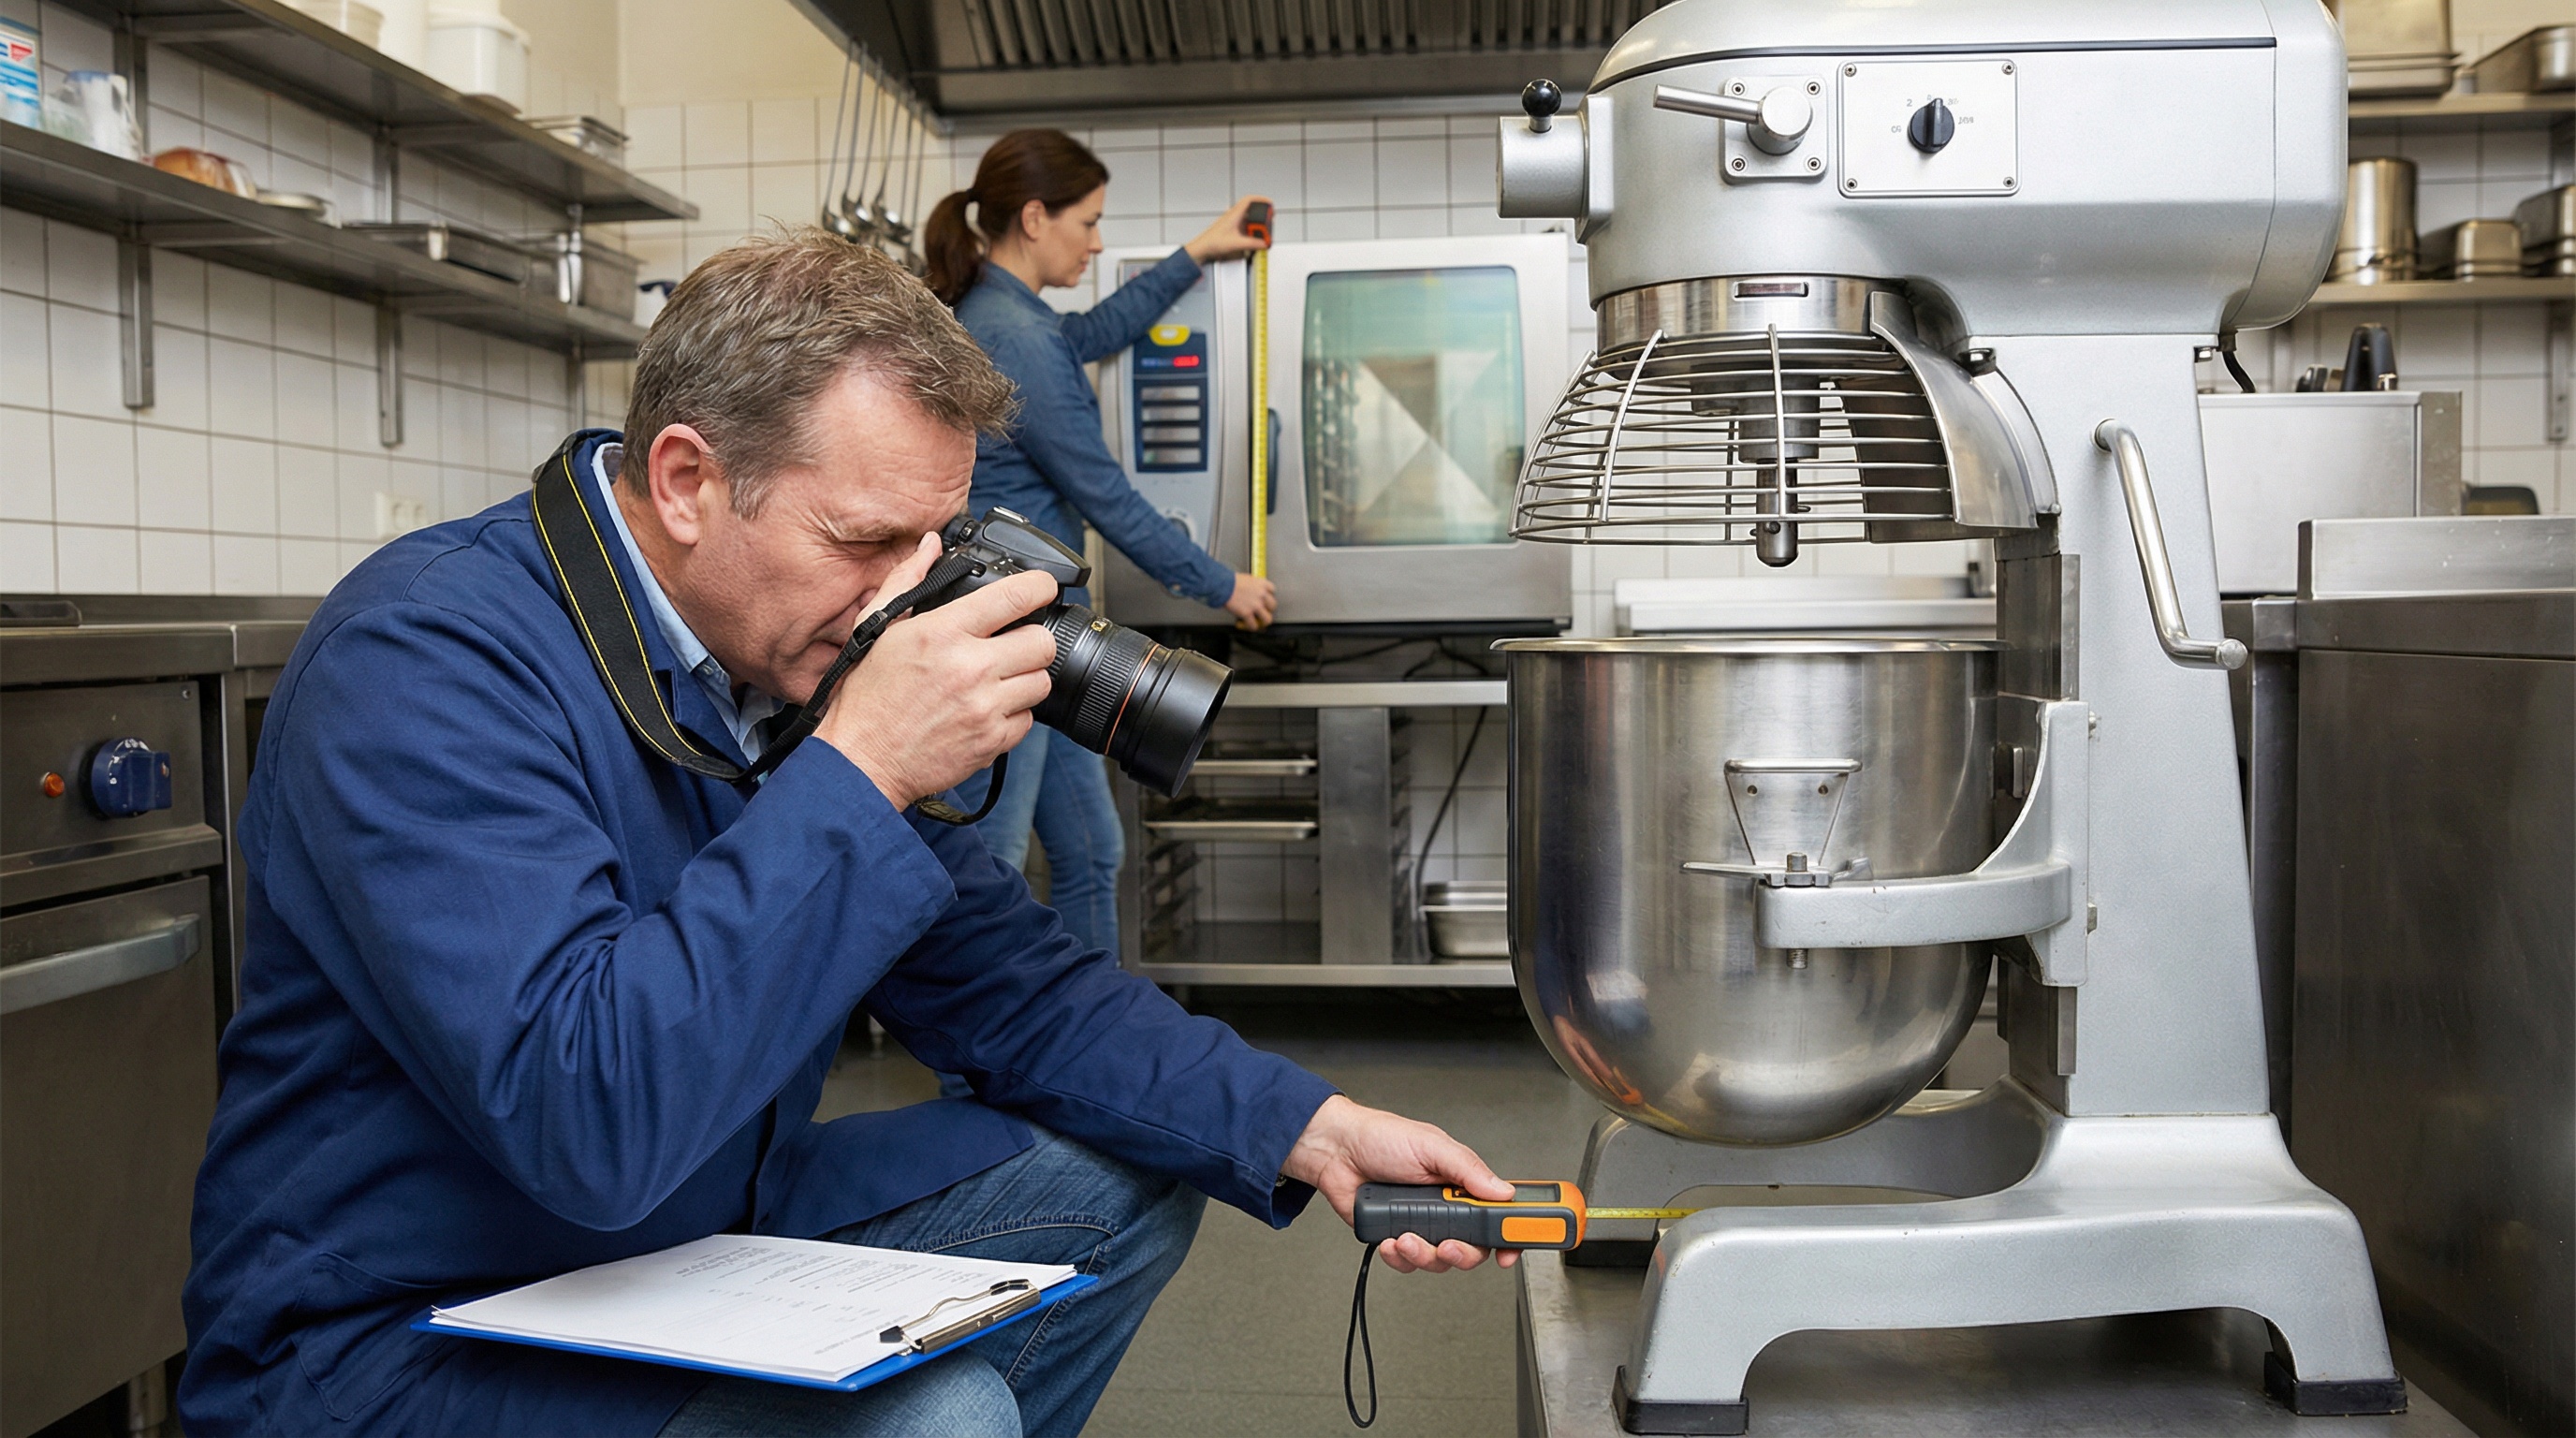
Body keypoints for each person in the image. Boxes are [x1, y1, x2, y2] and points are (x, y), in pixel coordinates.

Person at [179, 230, 1514, 1438]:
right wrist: (863, 764)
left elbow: (1018, 998)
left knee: (1134, 1170)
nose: (904, 601)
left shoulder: (764, 663)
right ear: (691, 480)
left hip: (681, 1239)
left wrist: (1317, 1126)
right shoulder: (426, 659)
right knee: (940, 1418)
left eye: (929, 549)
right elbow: (584, 1118)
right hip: (409, 1329)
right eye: (865, 542)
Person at [924, 129, 1273, 956]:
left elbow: (1094, 332)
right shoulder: (1010, 335)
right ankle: (990, 1065)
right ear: (1036, 218)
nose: (1099, 240)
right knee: (996, 860)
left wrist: (1198, 252)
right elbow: (1105, 497)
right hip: (1010, 637)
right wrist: (1222, 584)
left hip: (1041, 640)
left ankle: (1081, 1050)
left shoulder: (1010, 320)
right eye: (1088, 222)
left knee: (1089, 850)